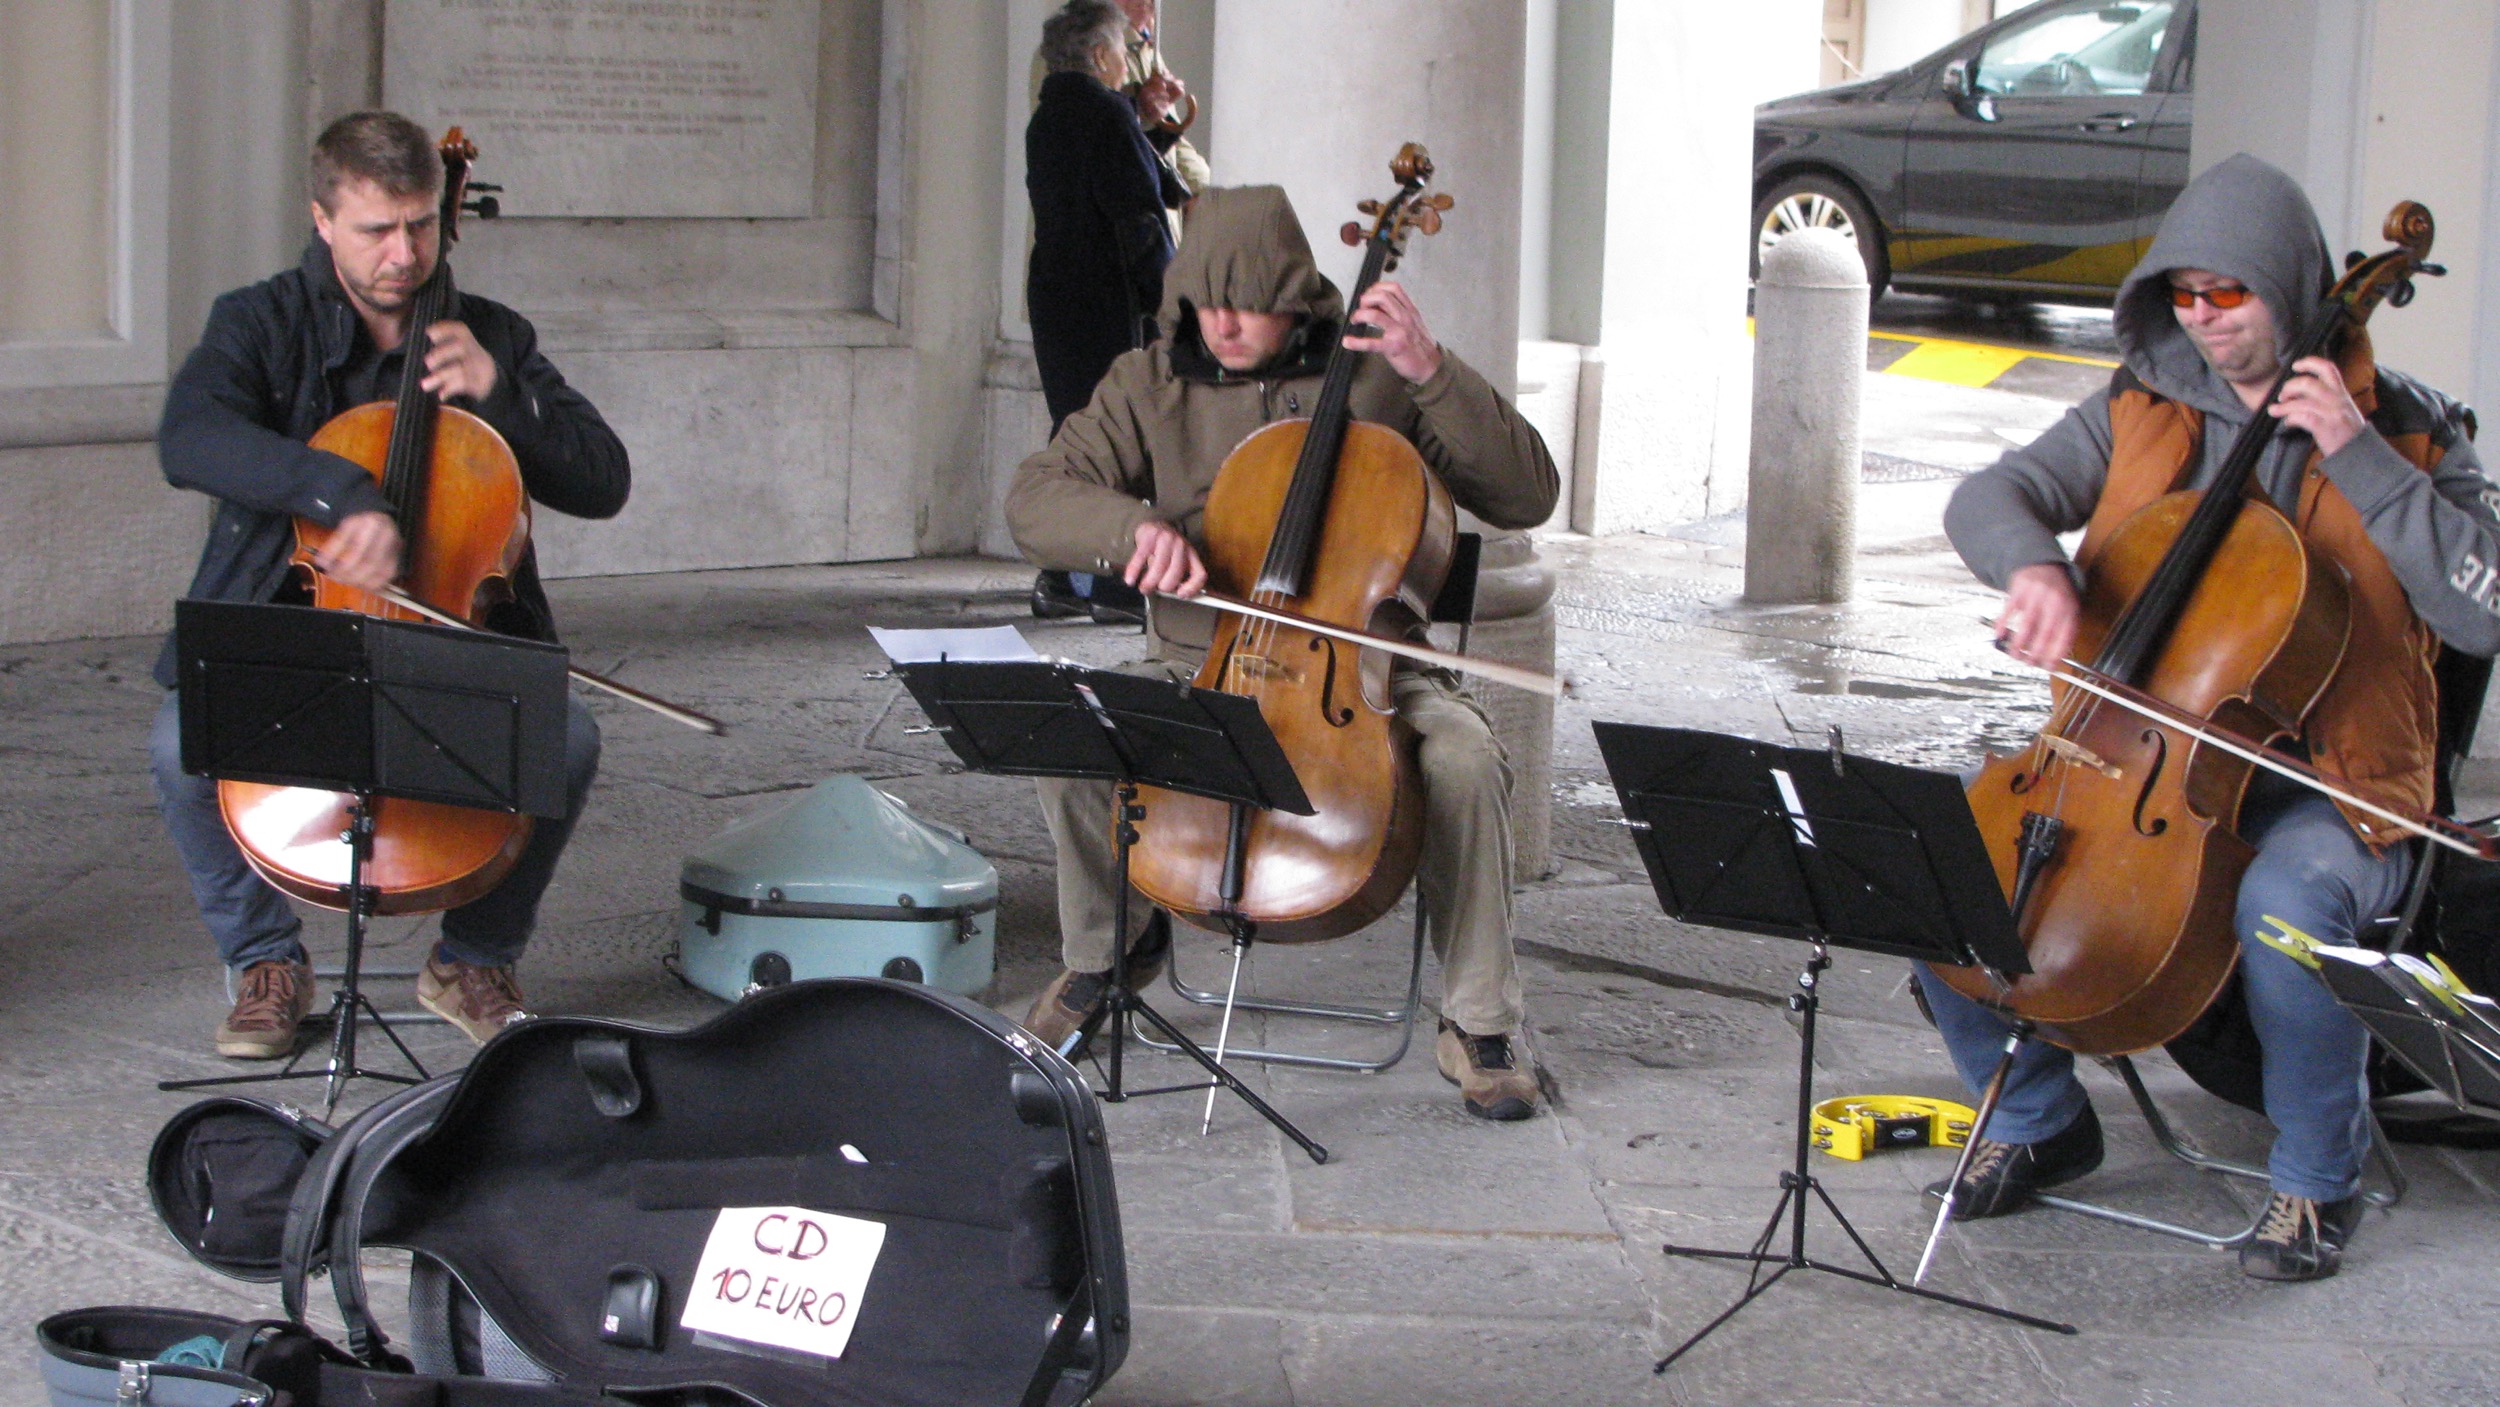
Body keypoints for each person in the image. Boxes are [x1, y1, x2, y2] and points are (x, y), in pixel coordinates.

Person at [1922, 154, 2500, 1280]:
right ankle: (2040, 1118)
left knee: (2288, 902)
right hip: (2140, 764)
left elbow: (2483, 612)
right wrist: (2033, 568)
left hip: (2339, 782)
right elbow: (1987, 494)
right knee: (1945, 870)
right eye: (2181, 296)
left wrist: (2358, 456)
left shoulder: (2417, 433)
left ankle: (2313, 1182)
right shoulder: (2141, 406)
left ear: (2287, 288)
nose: (2201, 320)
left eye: (2225, 296)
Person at [1006, 184, 1559, 1120]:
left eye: (1249, 303)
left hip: (1369, 669)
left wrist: (1433, 371)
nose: (1222, 324)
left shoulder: (1381, 377)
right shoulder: (1149, 383)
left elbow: (1527, 492)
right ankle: (1104, 959)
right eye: (1205, 302)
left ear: (1298, 298)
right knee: (1075, 733)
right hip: (1198, 658)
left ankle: (1480, 1020)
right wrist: (1130, 528)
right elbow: (1035, 497)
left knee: (1463, 757)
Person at [151, 111, 628, 1057]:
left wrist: (502, 396)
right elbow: (190, 437)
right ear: (322, 219)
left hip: (447, 637)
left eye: (419, 224)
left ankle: (471, 959)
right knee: (178, 745)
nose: (403, 254)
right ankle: (265, 963)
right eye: (376, 229)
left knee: (566, 739)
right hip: (297, 633)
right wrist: (340, 491)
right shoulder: (259, 321)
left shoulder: (489, 334)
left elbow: (602, 479)